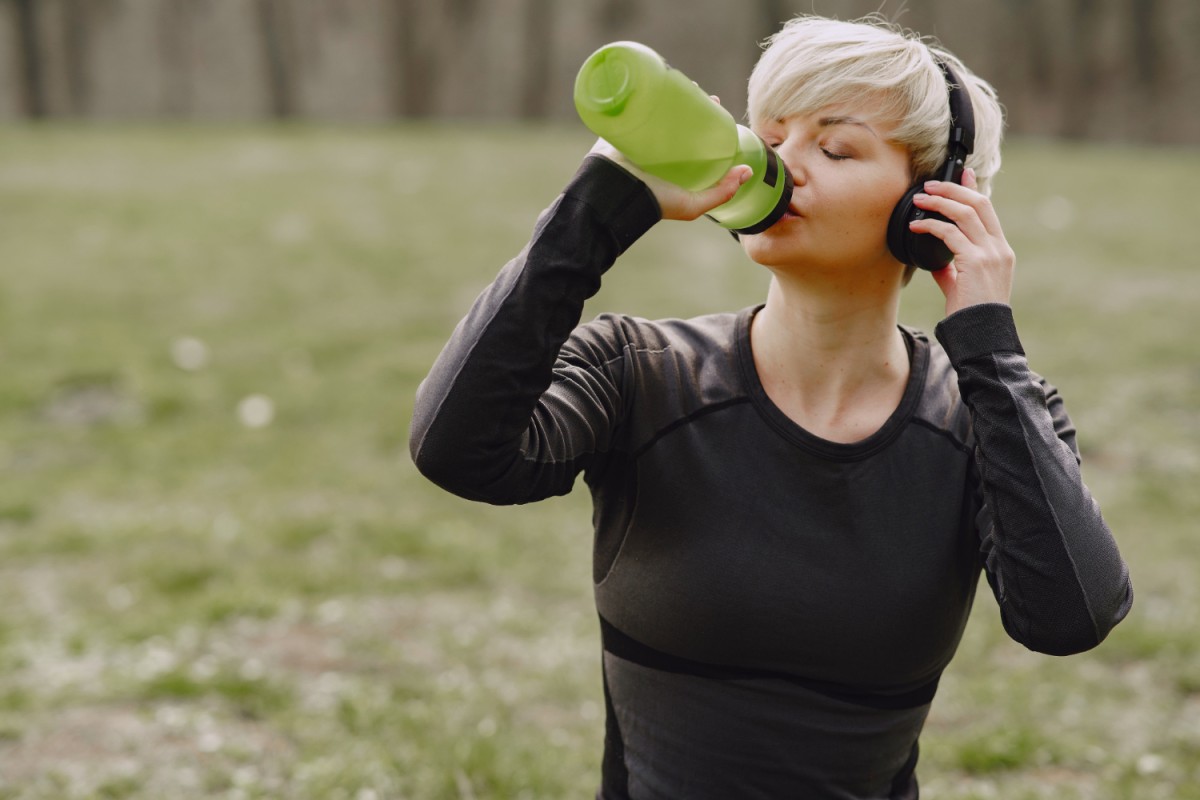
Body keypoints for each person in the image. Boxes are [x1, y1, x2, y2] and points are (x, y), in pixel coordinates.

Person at [409, 14, 1133, 799]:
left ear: (930, 204)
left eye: (835, 146)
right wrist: (594, 212)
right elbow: (459, 450)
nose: (781, 165)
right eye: (772, 135)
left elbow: (1068, 617)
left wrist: (988, 344)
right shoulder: (642, 372)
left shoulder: (982, 415)